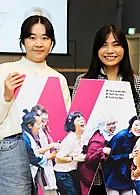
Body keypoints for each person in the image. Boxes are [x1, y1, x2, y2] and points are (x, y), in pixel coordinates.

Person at [72, 24, 140, 194]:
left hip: (123, 170)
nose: (110, 50)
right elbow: (75, 125)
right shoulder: (83, 82)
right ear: (96, 49)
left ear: (124, 48)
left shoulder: (138, 85)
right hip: (92, 170)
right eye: (104, 45)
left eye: (116, 44)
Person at [0, 15, 71, 194]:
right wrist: (7, 96)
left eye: (45, 38)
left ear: (52, 42)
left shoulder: (58, 79)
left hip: (47, 148)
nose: (38, 43)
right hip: (13, 148)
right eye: (32, 37)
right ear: (23, 41)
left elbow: (65, 123)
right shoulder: (5, 71)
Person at [104, 114, 140, 195]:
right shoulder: (122, 136)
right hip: (114, 174)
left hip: (127, 176)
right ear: (131, 125)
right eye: (136, 125)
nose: (138, 128)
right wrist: (129, 155)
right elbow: (113, 156)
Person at [21, 109, 59, 195]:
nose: (40, 126)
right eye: (38, 124)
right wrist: (50, 156)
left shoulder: (29, 136)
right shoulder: (25, 139)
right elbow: (34, 158)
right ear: (30, 125)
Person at [54, 111, 86, 195]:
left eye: (82, 118)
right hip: (63, 174)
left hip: (72, 171)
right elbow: (58, 158)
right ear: (72, 125)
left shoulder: (81, 137)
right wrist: (74, 158)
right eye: (78, 120)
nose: (82, 121)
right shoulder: (70, 139)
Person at [31, 105, 58, 194]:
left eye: (45, 113)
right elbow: (35, 152)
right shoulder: (35, 132)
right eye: (40, 114)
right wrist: (51, 150)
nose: (44, 116)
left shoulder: (44, 130)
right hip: (41, 168)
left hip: (48, 165)